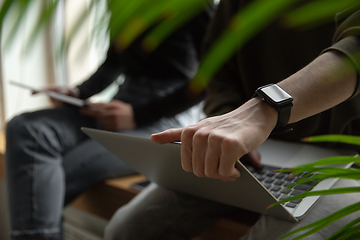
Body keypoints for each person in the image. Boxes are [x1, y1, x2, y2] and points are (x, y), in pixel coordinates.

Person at [104, 1, 360, 239]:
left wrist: (264, 111)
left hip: (346, 160)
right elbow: (217, 74)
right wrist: (230, 125)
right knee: (125, 230)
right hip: (258, 152)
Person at [4, 5, 213, 240]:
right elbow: (113, 64)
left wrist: (138, 115)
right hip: (119, 105)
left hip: (165, 120)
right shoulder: (122, 5)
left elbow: (209, 79)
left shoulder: (197, 7)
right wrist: (76, 93)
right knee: (26, 126)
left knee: (45, 176)